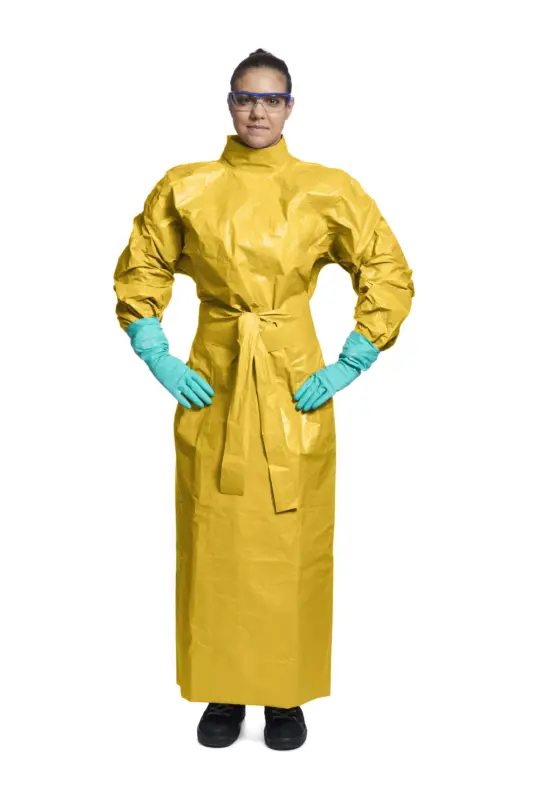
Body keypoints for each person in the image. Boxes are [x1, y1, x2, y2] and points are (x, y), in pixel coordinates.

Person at [113, 48, 415, 751]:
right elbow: (144, 265)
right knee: (212, 537)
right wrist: (154, 349)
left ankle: (285, 696)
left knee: (292, 541)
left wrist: (352, 359)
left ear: (289, 107)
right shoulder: (186, 186)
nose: (258, 111)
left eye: (271, 99)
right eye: (246, 98)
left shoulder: (326, 189)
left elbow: (385, 268)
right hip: (215, 379)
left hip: (292, 382)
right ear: (229, 103)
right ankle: (221, 691)